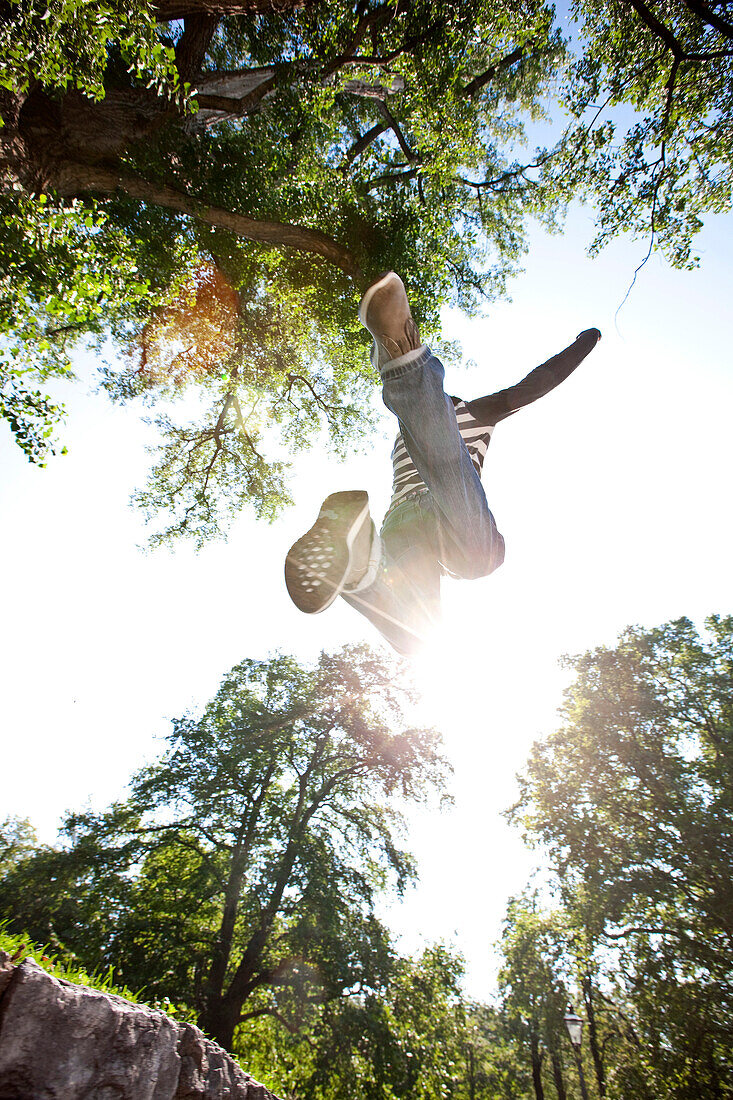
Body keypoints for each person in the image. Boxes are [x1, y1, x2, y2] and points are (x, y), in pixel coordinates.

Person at [284, 271, 601, 656]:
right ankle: (402, 352)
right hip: (442, 511)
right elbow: (532, 386)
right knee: (475, 560)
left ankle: (359, 567)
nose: (446, 407)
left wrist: (585, 342)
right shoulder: (465, 415)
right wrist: (588, 341)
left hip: (405, 520)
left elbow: (529, 387)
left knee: (414, 637)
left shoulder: (413, 430)